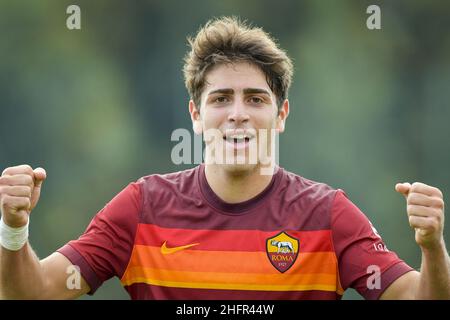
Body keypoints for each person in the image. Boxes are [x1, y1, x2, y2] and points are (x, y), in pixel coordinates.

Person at [0, 16, 448, 300]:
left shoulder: (328, 215)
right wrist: (14, 229)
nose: (237, 115)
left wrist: (432, 250)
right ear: (196, 115)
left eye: (255, 99)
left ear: (281, 114)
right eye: (221, 100)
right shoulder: (141, 208)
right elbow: (31, 293)